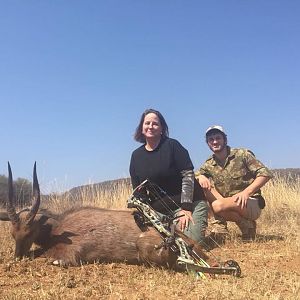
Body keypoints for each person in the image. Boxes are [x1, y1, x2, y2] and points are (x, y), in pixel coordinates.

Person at [129, 108, 208, 244]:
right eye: (147, 123)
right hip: (160, 211)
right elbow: (138, 191)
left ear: (162, 128)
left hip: (189, 204)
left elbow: (188, 176)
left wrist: (186, 209)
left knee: (190, 243)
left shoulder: (173, 145)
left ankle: (186, 226)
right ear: (141, 128)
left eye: (155, 123)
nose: (150, 126)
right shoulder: (136, 156)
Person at [196, 125, 273, 241]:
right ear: (208, 143)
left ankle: (220, 224)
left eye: (218, 138)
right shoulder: (209, 163)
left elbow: (265, 174)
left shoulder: (242, 154)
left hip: (250, 203)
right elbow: (195, 174)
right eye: (211, 140)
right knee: (204, 187)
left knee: (217, 205)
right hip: (227, 203)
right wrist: (200, 176)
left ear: (225, 140)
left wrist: (246, 193)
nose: (215, 142)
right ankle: (245, 225)